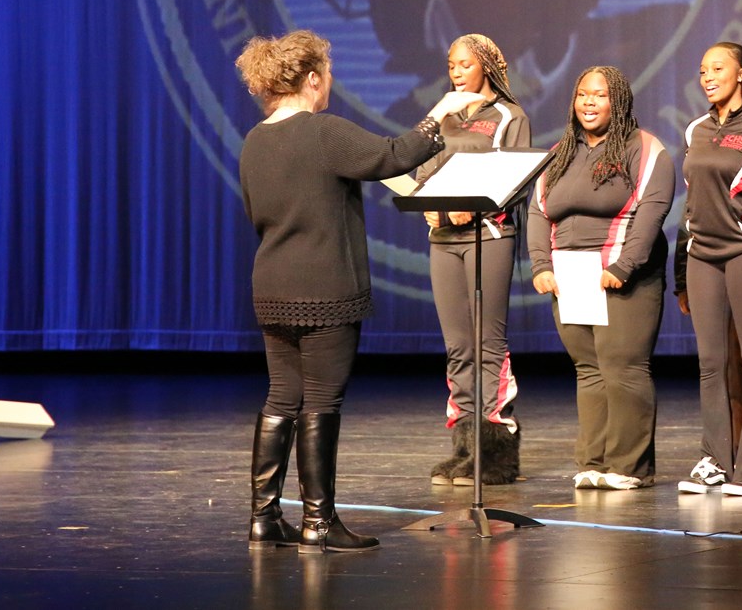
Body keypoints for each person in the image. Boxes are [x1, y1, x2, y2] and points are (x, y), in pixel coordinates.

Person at [235, 30, 478, 553]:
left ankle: (264, 517)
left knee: (282, 397)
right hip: (324, 286)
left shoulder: (254, 140)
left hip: (272, 284)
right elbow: (391, 157)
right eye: (328, 75)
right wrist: (441, 114)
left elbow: (257, 213)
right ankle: (318, 523)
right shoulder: (322, 131)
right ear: (313, 79)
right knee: (321, 400)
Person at [528, 66, 675, 490]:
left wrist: (624, 266)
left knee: (622, 367)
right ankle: (593, 462)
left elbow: (652, 212)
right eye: (582, 95)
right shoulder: (560, 154)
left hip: (621, 274)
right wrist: (541, 266)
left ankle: (629, 467)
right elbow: (538, 210)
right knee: (589, 369)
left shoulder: (643, 148)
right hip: (569, 274)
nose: (589, 102)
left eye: (600, 95)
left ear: (619, 101)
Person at [416, 34, 531, 487]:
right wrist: (428, 204)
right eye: (451, 64)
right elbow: (423, 169)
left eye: (465, 63)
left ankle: (497, 453)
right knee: (458, 347)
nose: (456, 71)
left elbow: (516, 179)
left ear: (486, 65)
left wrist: (473, 207)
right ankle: (465, 449)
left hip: (488, 236)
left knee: (488, 344)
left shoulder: (508, 115)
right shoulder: (445, 114)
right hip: (443, 238)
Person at [675, 44, 742, 496]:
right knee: (710, 362)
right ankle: (715, 460)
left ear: (741, 74)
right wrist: (681, 269)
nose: (708, 77)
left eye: (717, 68)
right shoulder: (695, 129)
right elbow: (691, 204)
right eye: (703, 70)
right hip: (702, 255)